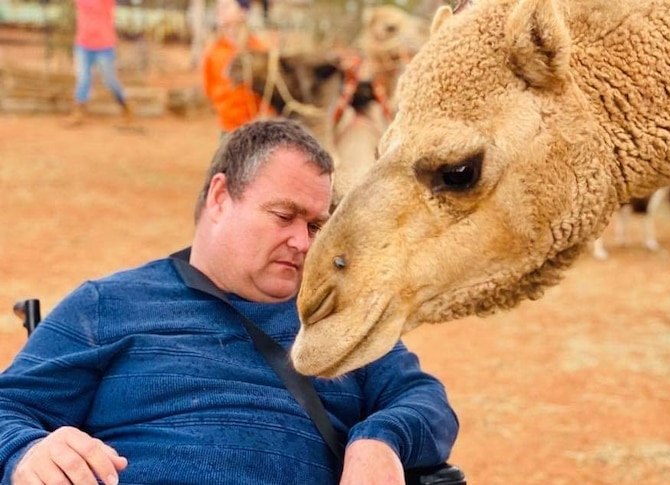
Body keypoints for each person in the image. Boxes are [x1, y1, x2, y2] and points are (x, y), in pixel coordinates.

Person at [0, 119, 459, 484]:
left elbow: (424, 400)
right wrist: (25, 452)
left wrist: (379, 441)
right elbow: (8, 408)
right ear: (220, 198)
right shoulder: (106, 306)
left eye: (316, 226)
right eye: (284, 216)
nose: (303, 242)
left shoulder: (337, 315)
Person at [203, 0, 273, 134]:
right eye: (219, 6)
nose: (220, 10)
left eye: (226, 6)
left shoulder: (259, 49)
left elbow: (270, 90)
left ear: (243, 12)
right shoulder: (213, 50)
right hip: (226, 126)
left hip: (255, 126)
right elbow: (209, 87)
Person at [67, 0, 133, 126]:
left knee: (109, 80)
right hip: (83, 44)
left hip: (104, 46)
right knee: (83, 78)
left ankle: (125, 106)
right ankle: (78, 113)